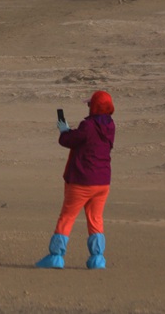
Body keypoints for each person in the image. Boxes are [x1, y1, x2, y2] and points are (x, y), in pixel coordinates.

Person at [35, 90, 115, 270]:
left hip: (82, 180)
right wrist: (69, 132)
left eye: (90, 104)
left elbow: (70, 141)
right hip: (102, 181)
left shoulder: (88, 126)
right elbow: (83, 139)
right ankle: (97, 258)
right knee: (95, 218)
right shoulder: (110, 126)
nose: (88, 107)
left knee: (67, 217)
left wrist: (64, 131)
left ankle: (56, 256)